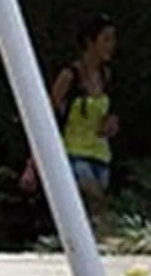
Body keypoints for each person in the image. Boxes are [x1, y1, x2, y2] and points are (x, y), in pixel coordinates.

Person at [46, 16, 119, 219]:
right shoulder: (70, 76)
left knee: (90, 213)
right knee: (97, 203)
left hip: (100, 153)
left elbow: (106, 111)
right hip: (75, 152)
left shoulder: (105, 75)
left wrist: (111, 123)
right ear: (90, 42)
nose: (111, 46)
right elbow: (48, 113)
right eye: (106, 39)